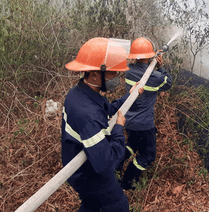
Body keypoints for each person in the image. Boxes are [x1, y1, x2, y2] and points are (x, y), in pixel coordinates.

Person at [61, 37, 143, 212]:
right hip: (87, 174)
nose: (116, 78)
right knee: (118, 206)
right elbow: (106, 163)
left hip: (86, 165)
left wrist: (130, 96)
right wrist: (119, 128)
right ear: (96, 73)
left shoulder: (81, 93)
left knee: (92, 205)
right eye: (113, 73)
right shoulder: (87, 114)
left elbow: (108, 109)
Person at [118, 37, 173, 190]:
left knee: (132, 144)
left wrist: (151, 62)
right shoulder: (155, 77)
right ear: (149, 56)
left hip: (128, 121)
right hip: (144, 125)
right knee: (148, 155)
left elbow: (142, 69)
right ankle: (128, 180)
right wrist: (160, 67)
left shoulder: (129, 70)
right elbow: (168, 82)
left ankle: (116, 166)